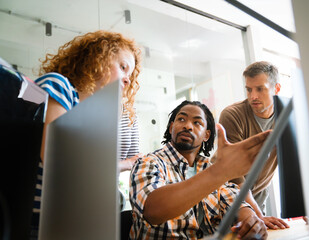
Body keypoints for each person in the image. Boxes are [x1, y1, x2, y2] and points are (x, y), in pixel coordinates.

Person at [30, 30, 142, 238]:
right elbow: (58, 160)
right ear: (98, 57)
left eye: (130, 75)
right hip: (36, 222)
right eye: (123, 67)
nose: (127, 79)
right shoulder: (60, 86)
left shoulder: (89, 116)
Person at [130, 100, 270, 239]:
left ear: (206, 135)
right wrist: (220, 171)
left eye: (197, 122)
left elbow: (235, 202)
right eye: (181, 119)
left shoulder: (208, 168)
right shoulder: (148, 162)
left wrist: (251, 222)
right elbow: (152, 210)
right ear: (172, 126)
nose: (188, 126)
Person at [218, 61, 289, 229]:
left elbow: (297, 166)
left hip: (258, 200)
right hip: (226, 201)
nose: (253, 96)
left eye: (260, 89)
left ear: (276, 89)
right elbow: (234, 175)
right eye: (249, 89)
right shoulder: (232, 115)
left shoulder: (286, 118)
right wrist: (258, 215)